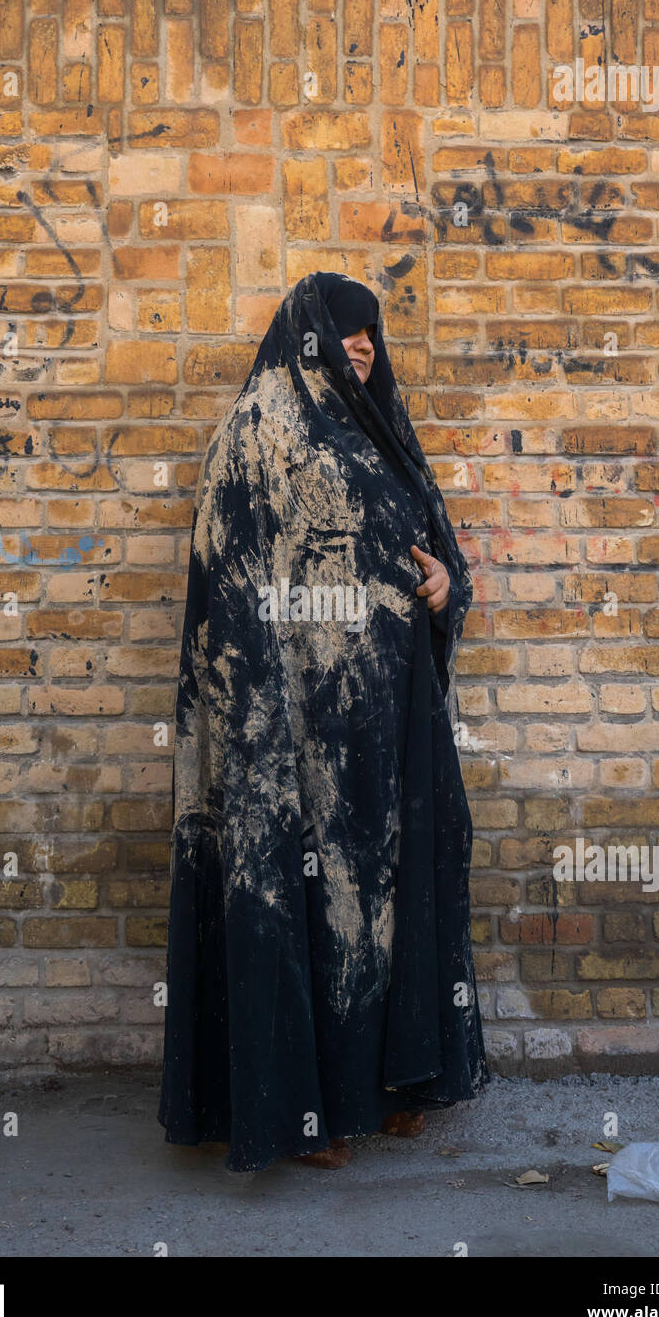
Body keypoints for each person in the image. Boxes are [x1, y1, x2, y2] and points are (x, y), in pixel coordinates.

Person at [158, 271, 490, 1172]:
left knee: (387, 905)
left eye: (372, 331)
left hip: (391, 723)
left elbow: (438, 551)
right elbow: (223, 595)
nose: (361, 344)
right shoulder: (256, 431)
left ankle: (388, 1086)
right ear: (304, 333)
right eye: (344, 328)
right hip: (294, 731)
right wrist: (269, 721)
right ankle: (308, 1114)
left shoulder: (378, 429)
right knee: (315, 906)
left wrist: (442, 586)